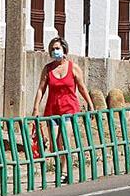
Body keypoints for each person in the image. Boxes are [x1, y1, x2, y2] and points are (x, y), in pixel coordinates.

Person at [31, 37, 95, 183]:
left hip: (69, 109)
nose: (55, 51)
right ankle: (60, 166)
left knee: (64, 139)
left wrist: (90, 104)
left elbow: (81, 87)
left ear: (64, 50)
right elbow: (41, 89)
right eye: (53, 49)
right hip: (52, 109)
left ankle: (64, 171)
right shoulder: (48, 69)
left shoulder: (73, 67)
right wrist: (35, 108)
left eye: (58, 48)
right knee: (54, 144)